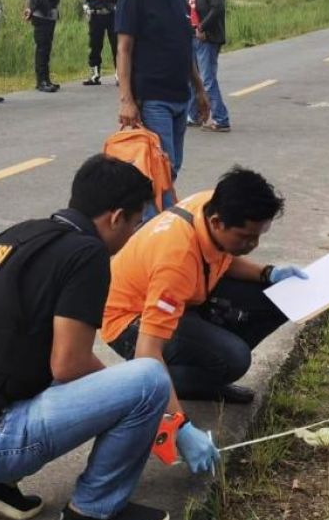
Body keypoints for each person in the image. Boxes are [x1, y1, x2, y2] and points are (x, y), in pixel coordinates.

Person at [0, 154, 185, 520]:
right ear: (115, 217)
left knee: (30, 353)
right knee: (148, 381)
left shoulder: (18, 235)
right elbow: (69, 365)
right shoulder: (87, 253)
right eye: (136, 221)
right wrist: (148, 406)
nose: (134, 233)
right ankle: (93, 512)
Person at [102, 167, 305, 409]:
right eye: (245, 237)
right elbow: (149, 348)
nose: (253, 244)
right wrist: (178, 425)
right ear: (217, 223)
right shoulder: (176, 261)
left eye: (258, 236)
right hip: (131, 321)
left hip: (182, 296)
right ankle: (138, 383)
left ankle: (207, 367)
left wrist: (268, 273)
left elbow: (221, 258)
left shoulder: (213, 205)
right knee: (234, 358)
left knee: (279, 297)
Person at [116, 0, 209, 214]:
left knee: (172, 166)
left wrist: (200, 89)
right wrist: (127, 100)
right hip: (152, 98)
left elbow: (186, 49)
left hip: (181, 96)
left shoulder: (179, 0)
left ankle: (149, 220)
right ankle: (156, 229)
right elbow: (124, 50)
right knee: (160, 169)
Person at [185, 0, 230, 132]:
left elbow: (217, 8)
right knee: (193, 79)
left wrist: (202, 28)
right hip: (194, 38)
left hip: (207, 39)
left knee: (207, 80)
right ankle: (194, 115)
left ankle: (221, 118)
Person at [75, 0, 126, 86]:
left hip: (112, 14)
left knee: (117, 46)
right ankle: (94, 75)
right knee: (95, 46)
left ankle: (119, 75)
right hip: (95, 14)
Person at [25, 0, 63, 93]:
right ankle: (41, 81)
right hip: (42, 15)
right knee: (42, 49)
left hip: (47, 15)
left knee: (46, 48)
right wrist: (31, 7)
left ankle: (46, 79)